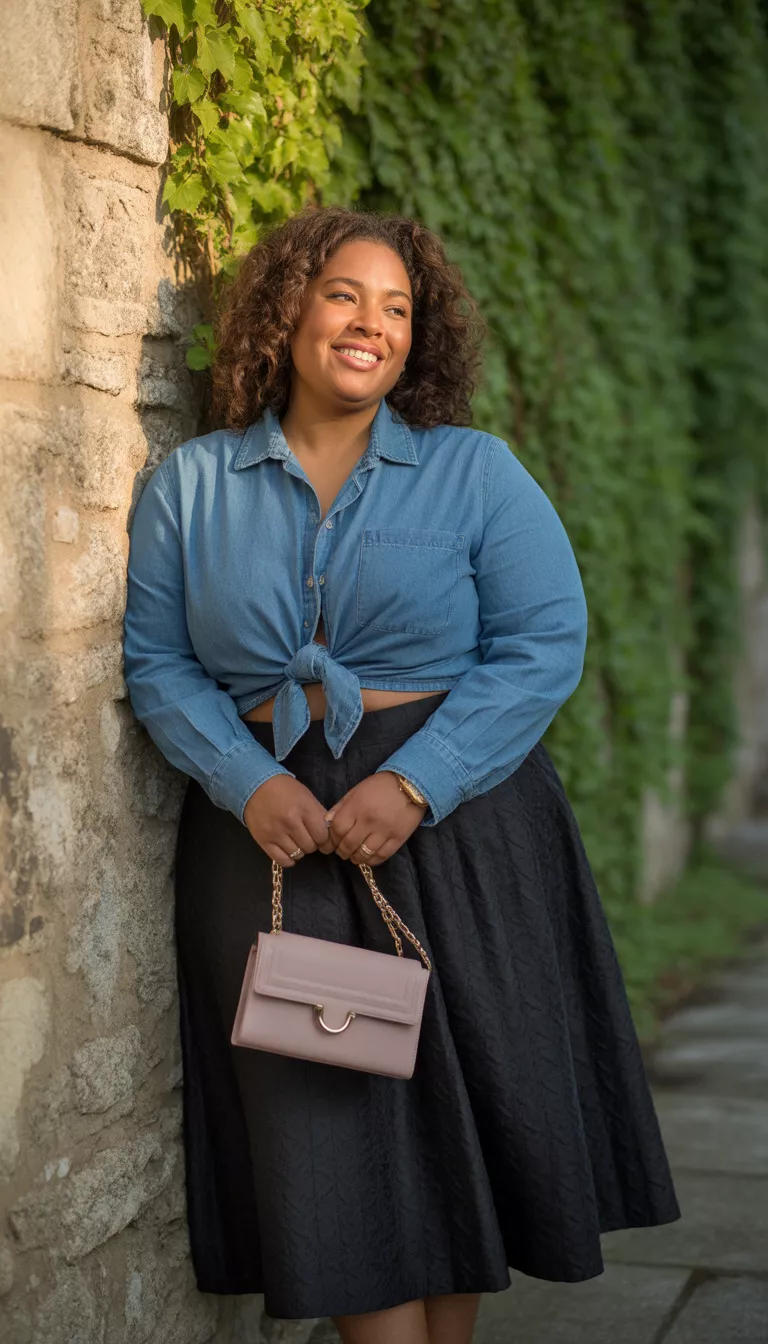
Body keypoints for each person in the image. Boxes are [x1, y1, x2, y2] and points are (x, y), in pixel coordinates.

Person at [123, 204, 680, 1344]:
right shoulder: (193, 486)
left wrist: (417, 782)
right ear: (288, 310)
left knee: (450, 1125)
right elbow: (158, 660)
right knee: (330, 1140)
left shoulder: (476, 474)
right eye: (344, 295)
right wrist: (245, 782)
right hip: (272, 840)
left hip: (461, 832)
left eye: (397, 307)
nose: (371, 324)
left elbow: (543, 642)